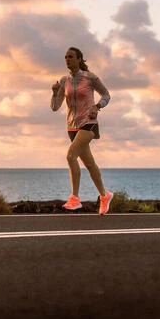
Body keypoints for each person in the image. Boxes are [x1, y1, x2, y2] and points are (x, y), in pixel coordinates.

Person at [50, 46, 113, 215]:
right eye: (65, 57)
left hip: (89, 123)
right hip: (72, 126)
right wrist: (54, 93)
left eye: (70, 57)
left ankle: (75, 198)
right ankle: (104, 195)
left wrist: (97, 106)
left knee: (70, 156)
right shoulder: (64, 81)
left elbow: (106, 95)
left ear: (79, 59)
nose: (67, 59)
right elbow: (55, 107)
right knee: (89, 164)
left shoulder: (90, 77)